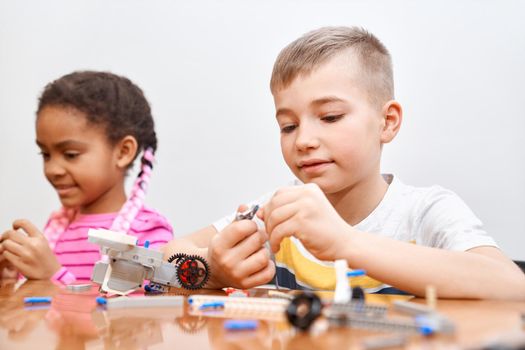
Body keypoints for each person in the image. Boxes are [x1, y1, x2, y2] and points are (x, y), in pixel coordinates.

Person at [164, 26, 525, 300]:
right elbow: (164, 258)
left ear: (387, 122)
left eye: (331, 117)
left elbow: (511, 287)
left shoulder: (425, 211)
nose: (303, 140)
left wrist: (346, 243)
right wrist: (213, 269)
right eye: (288, 125)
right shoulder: (278, 211)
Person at [0, 71, 173, 283]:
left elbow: (135, 312)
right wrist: (11, 280)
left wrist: (53, 276)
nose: (53, 169)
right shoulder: (57, 228)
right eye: (45, 154)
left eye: (70, 155)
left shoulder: (148, 232)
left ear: (123, 152)